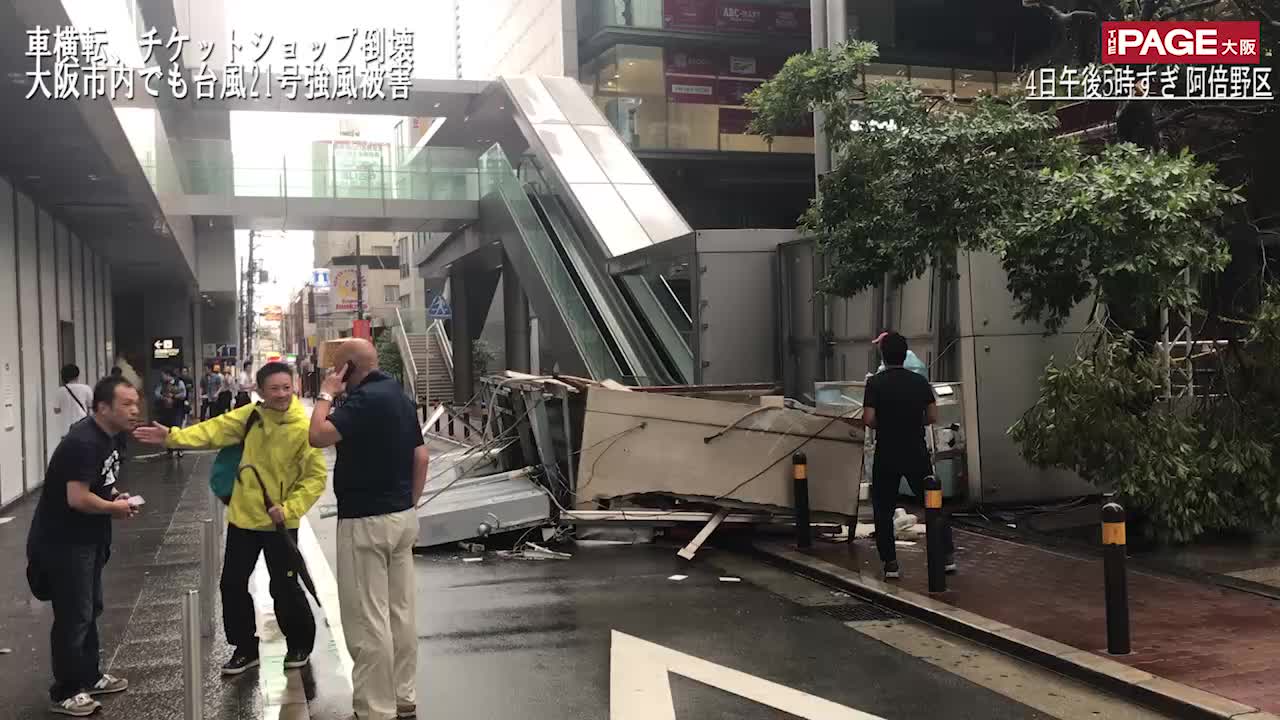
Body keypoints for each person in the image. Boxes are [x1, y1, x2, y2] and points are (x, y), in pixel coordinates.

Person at [133, 361, 327, 675]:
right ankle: (244, 647)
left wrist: (289, 508)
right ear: (260, 391)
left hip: (281, 523)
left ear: (294, 388)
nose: (281, 394)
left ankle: (299, 644)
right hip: (244, 518)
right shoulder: (250, 417)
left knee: (285, 586)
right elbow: (211, 431)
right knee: (232, 584)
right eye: (274, 389)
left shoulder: (305, 429)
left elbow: (315, 478)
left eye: (286, 388)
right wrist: (171, 436)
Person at [309, 339, 428, 720]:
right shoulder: (398, 395)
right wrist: (409, 504)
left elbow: (318, 435)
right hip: (401, 516)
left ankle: (376, 710)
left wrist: (326, 395)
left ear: (345, 369)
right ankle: (403, 696)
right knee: (401, 612)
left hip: (365, 520)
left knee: (366, 619)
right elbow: (421, 455)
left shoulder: (363, 402)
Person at [26, 376, 140, 717]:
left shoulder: (114, 437)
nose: (135, 410)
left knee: (90, 609)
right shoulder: (83, 441)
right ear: (103, 408)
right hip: (63, 541)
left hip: (89, 538)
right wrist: (112, 508)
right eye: (126, 404)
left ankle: (89, 676)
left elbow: (98, 484)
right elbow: (76, 498)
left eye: (136, 403)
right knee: (74, 616)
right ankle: (65, 691)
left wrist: (114, 497)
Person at [863, 332, 954, 580]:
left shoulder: (875, 383)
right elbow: (933, 416)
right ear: (905, 355)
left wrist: (886, 424)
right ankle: (946, 557)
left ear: (883, 355)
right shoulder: (919, 382)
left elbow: (869, 419)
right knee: (932, 503)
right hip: (915, 450)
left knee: (883, 508)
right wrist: (913, 421)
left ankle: (890, 564)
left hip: (887, 452)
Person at [53, 365, 94, 438]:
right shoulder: (86, 388)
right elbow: (91, 405)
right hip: (82, 427)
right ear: (77, 375)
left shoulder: (60, 391)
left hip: (66, 430)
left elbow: (56, 410)